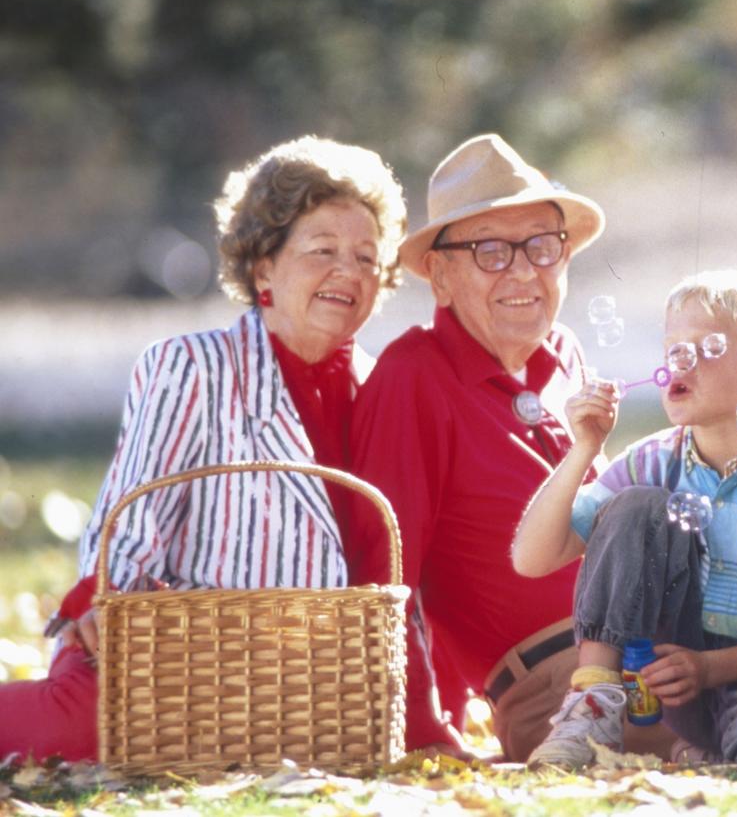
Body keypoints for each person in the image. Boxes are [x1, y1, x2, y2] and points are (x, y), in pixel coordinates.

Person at [0, 135, 406, 762]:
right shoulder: (193, 365)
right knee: (88, 731)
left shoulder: (384, 389)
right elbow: (130, 515)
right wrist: (105, 602)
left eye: (365, 257)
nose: (348, 272)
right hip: (179, 653)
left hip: (314, 686)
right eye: (323, 250)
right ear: (263, 267)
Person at [343, 133, 625, 761]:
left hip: (655, 652)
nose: (524, 271)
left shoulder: (564, 356)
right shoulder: (414, 375)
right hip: (561, 685)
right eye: (491, 251)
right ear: (440, 277)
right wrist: (423, 733)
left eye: (543, 246)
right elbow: (385, 578)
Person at [511, 268, 737, 768]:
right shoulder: (650, 463)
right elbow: (532, 558)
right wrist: (584, 447)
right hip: (671, 684)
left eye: (705, 349)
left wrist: (711, 667)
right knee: (635, 504)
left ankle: (706, 752)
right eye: (674, 348)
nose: (680, 362)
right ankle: (593, 703)